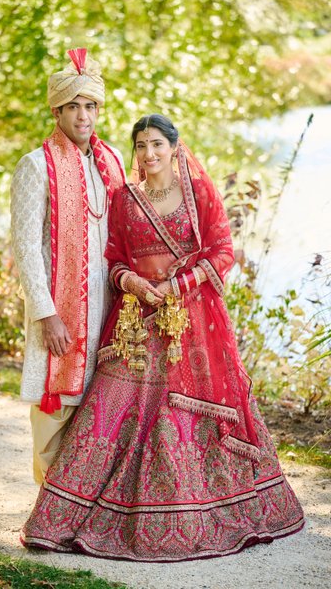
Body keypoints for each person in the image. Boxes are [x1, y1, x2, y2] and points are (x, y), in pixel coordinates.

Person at [20, 114, 304, 561]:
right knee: (108, 411)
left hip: (192, 323)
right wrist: (132, 282)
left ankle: (206, 513)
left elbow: (223, 252)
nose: (148, 154)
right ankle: (67, 519)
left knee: (185, 415)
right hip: (135, 323)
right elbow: (113, 258)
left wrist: (178, 286)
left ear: (174, 147)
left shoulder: (198, 194)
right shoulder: (124, 198)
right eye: (140, 146)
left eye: (156, 144)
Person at [10, 48, 125, 485]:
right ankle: (47, 508)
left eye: (90, 106)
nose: (83, 115)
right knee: (54, 412)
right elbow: (26, 249)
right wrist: (47, 314)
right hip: (59, 311)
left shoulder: (110, 162)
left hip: (107, 309)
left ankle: (82, 509)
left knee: (97, 409)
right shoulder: (35, 166)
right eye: (73, 106)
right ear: (57, 111)